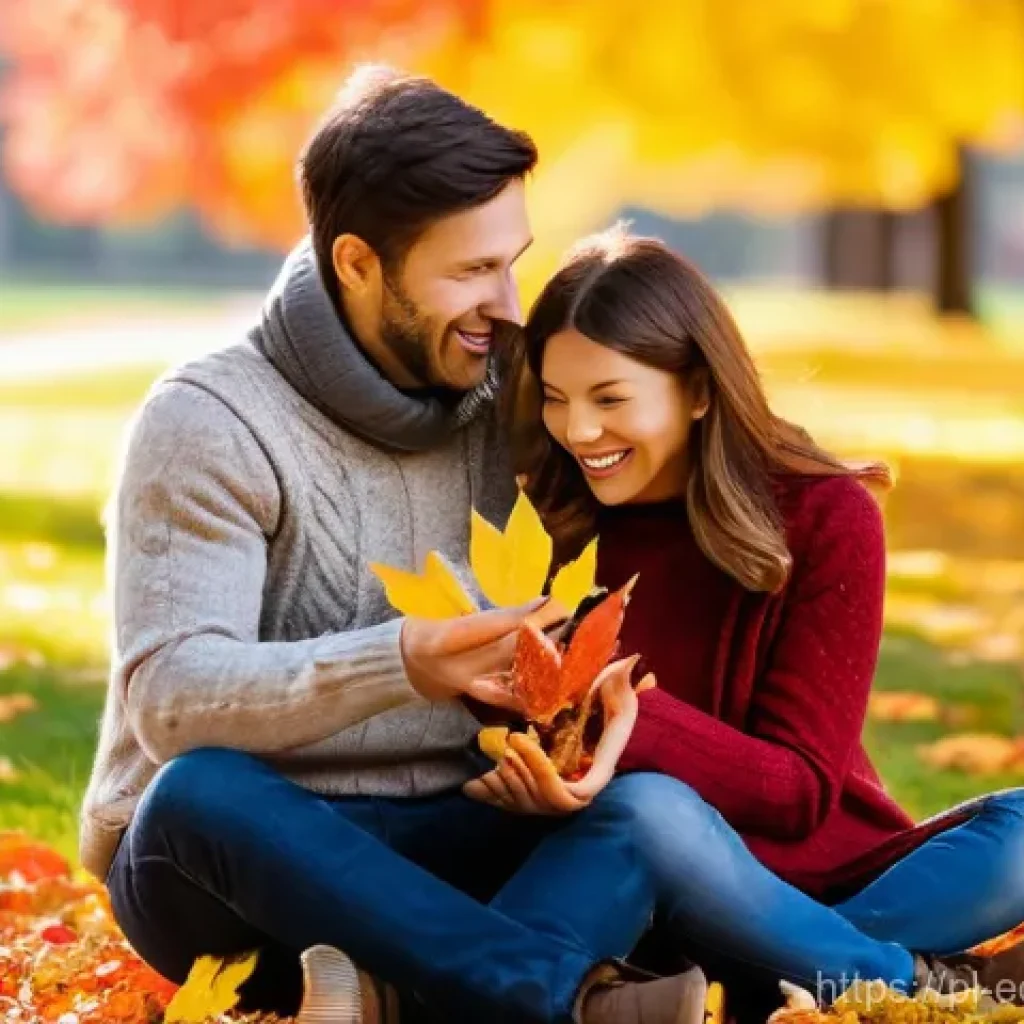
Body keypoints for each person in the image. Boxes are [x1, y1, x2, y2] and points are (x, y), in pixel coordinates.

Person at [81, 69, 709, 1024]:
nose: (507, 306)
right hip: (253, 857)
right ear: (358, 263)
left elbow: (666, 442)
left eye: (513, 262)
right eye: (469, 272)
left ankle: (395, 994)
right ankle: (561, 998)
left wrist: (805, 482)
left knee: (641, 815)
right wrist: (399, 663)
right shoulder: (212, 420)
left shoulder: (513, 399)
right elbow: (170, 699)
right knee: (196, 796)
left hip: (461, 829)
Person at [466, 224, 1024, 1011]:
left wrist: (635, 719)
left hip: (826, 870)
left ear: (697, 390)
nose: (579, 431)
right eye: (557, 399)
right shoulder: (545, 530)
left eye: (611, 398)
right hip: (636, 870)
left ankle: (751, 974)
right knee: (648, 810)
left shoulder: (825, 516)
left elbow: (799, 793)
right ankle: (901, 984)